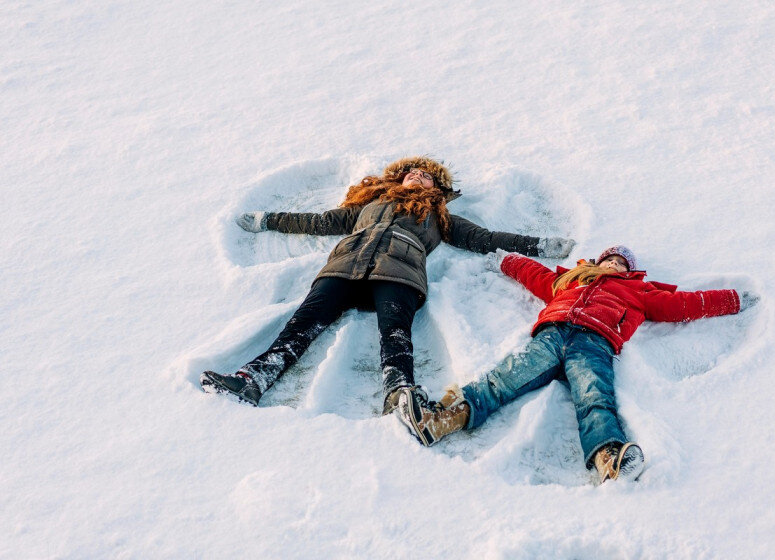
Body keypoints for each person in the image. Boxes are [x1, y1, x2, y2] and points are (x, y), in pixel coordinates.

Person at [200, 156, 576, 414]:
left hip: (401, 270)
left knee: (395, 332)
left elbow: (486, 237)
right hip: (345, 264)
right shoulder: (369, 205)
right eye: (411, 172)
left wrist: (538, 245)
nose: (417, 176)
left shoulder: (439, 215)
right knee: (303, 323)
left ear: (438, 187)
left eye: (426, 175)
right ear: (399, 177)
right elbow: (316, 221)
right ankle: (253, 379)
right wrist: (267, 220)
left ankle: (399, 392)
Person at [396, 245, 758, 483]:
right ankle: (441, 419)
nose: (614, 264)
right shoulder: (571, 280)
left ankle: (608, 459)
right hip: (551, 336)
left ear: (631, 272)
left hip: (594, 343)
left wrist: (731, 299)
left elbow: (685, 305)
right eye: (610, 259)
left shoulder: (641, 292)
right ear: (598, 261)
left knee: (594, 396)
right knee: (503, 378)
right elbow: (534, 274)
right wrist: (505, 260)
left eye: (622, 264)